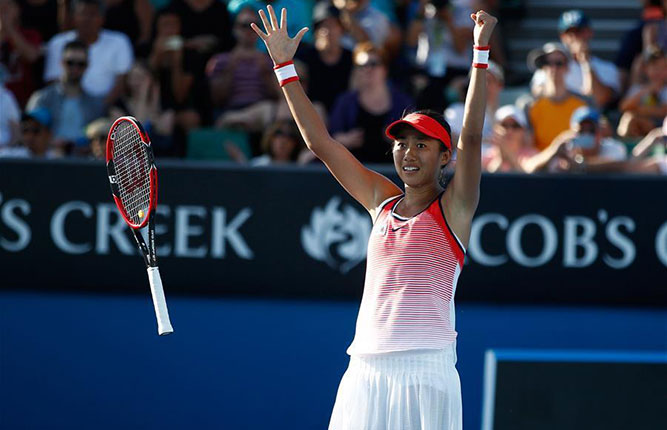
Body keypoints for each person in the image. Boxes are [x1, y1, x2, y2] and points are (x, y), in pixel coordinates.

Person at [251, 5, 496, 429]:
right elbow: (321, 143)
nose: (408, 152)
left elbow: (471, 137)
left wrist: (479, 52)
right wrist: (284, 68)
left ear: (445, 157)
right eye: (402, 144)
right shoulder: (380, 201)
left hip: (426, 371)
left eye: (422, 145)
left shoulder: (454, 207)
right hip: (365, 368)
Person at [328, 41, 414, 164]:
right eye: (361, 66)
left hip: (393, 169)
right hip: (354, 169)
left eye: (373, 64)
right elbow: (331, 138)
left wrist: (397, 139)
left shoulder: (403, 102)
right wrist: (347, 139)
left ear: (385, 69)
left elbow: (413, 138)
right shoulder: (345, 102)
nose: (367, 69)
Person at [43, 0, 134, 104]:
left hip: (107, 108)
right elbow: (52, 83)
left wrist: (98, 109)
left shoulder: (119, 42)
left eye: (92, 14)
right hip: (64, 106)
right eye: (82, 14)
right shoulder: (57, 43)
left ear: (102, 18)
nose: (87, 19)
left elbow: (121, 84)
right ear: (73, 17)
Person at [27, 39, 105, 154]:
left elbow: (99, 141)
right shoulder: (42, 98)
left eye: (80, 64)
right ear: (61, 63)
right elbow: (28, 134)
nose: (75, 68)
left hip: (83, 160)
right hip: (47, 158)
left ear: (87, 66)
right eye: (70, 63)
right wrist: (51, 143)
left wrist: (85, 147)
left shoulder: (95, 104)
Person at [530, 10, 620, 108]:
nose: (575, 37)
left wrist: (586, 63)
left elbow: (600, 100)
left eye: (579, 31)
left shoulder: (607, 68)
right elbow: (537, 93)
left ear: (590, 32)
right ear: (562, 37)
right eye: (569, 33)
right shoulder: (552, 63)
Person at [525, 42, 589, 151]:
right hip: (540, 159)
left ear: (567, 67)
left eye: (559, 63)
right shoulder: (529, 105)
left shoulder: (583, 103)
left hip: (573, 159)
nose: (553, 68)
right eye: (548, 63)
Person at [617, 46, 667, 138]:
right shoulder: (639, 88)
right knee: (628, 118)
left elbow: (664, 111)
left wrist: (637, 110)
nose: (659, 72)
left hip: (662, 129)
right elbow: (624, 107)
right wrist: (647, 90)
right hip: (642, 126)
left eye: (663, 67)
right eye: (655, 67)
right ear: (646, 69)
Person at [483, 104, 537, 173]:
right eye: (504, 125)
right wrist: (500, 158)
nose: (509, 131)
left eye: (515, 126)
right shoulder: (485, 155)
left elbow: (526, 177)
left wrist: (507, 154)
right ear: (495, 129)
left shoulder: (533, 155)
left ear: (523, 130)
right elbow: (488, 176)